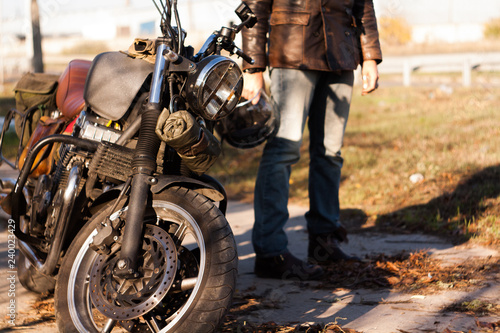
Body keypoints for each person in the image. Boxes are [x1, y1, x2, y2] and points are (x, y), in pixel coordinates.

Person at [241, 0, 382, 280]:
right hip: (292, 53)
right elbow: (254, 7)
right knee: (284, 149)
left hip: (342, 54)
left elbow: (364, 5)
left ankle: (324, 241)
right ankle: (271, 252)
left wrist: (370, 57)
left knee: (330, 153)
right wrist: (253, 66)